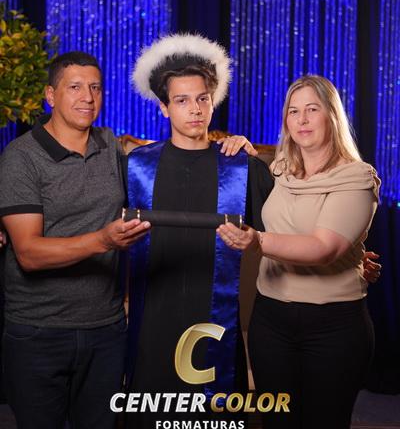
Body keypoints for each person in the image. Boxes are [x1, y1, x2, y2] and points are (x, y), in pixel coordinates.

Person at [124, 34, 274, 428]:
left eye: (202, 98)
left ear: (213, 101)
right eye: (182, 100)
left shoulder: (241, 167)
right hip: (154, 316)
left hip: (216, 320)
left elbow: (285, 226)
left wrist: (350, 256)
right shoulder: (136, 166)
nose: (195, 109)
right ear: (164, 107)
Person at [217, 74, 381, 429]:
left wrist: (258, 242)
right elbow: (266, 196)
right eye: (293, 111)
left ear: (331, 116)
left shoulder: (357, 177)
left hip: (334, 328)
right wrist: (244, 151)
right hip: (270, 321)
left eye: (312, 109)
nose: (302, 120)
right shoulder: (281, 170)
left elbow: (324, 248)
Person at [0, 51, 150, 429]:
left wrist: (227, 147)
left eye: (95, 88)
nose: (88, 97)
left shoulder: (110, 145)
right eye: (76, 87)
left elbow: (170, 157)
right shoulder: (21, 157)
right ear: (51, 96)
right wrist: (103, 240)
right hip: (38, 332)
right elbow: (29, 253)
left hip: (106, 330)